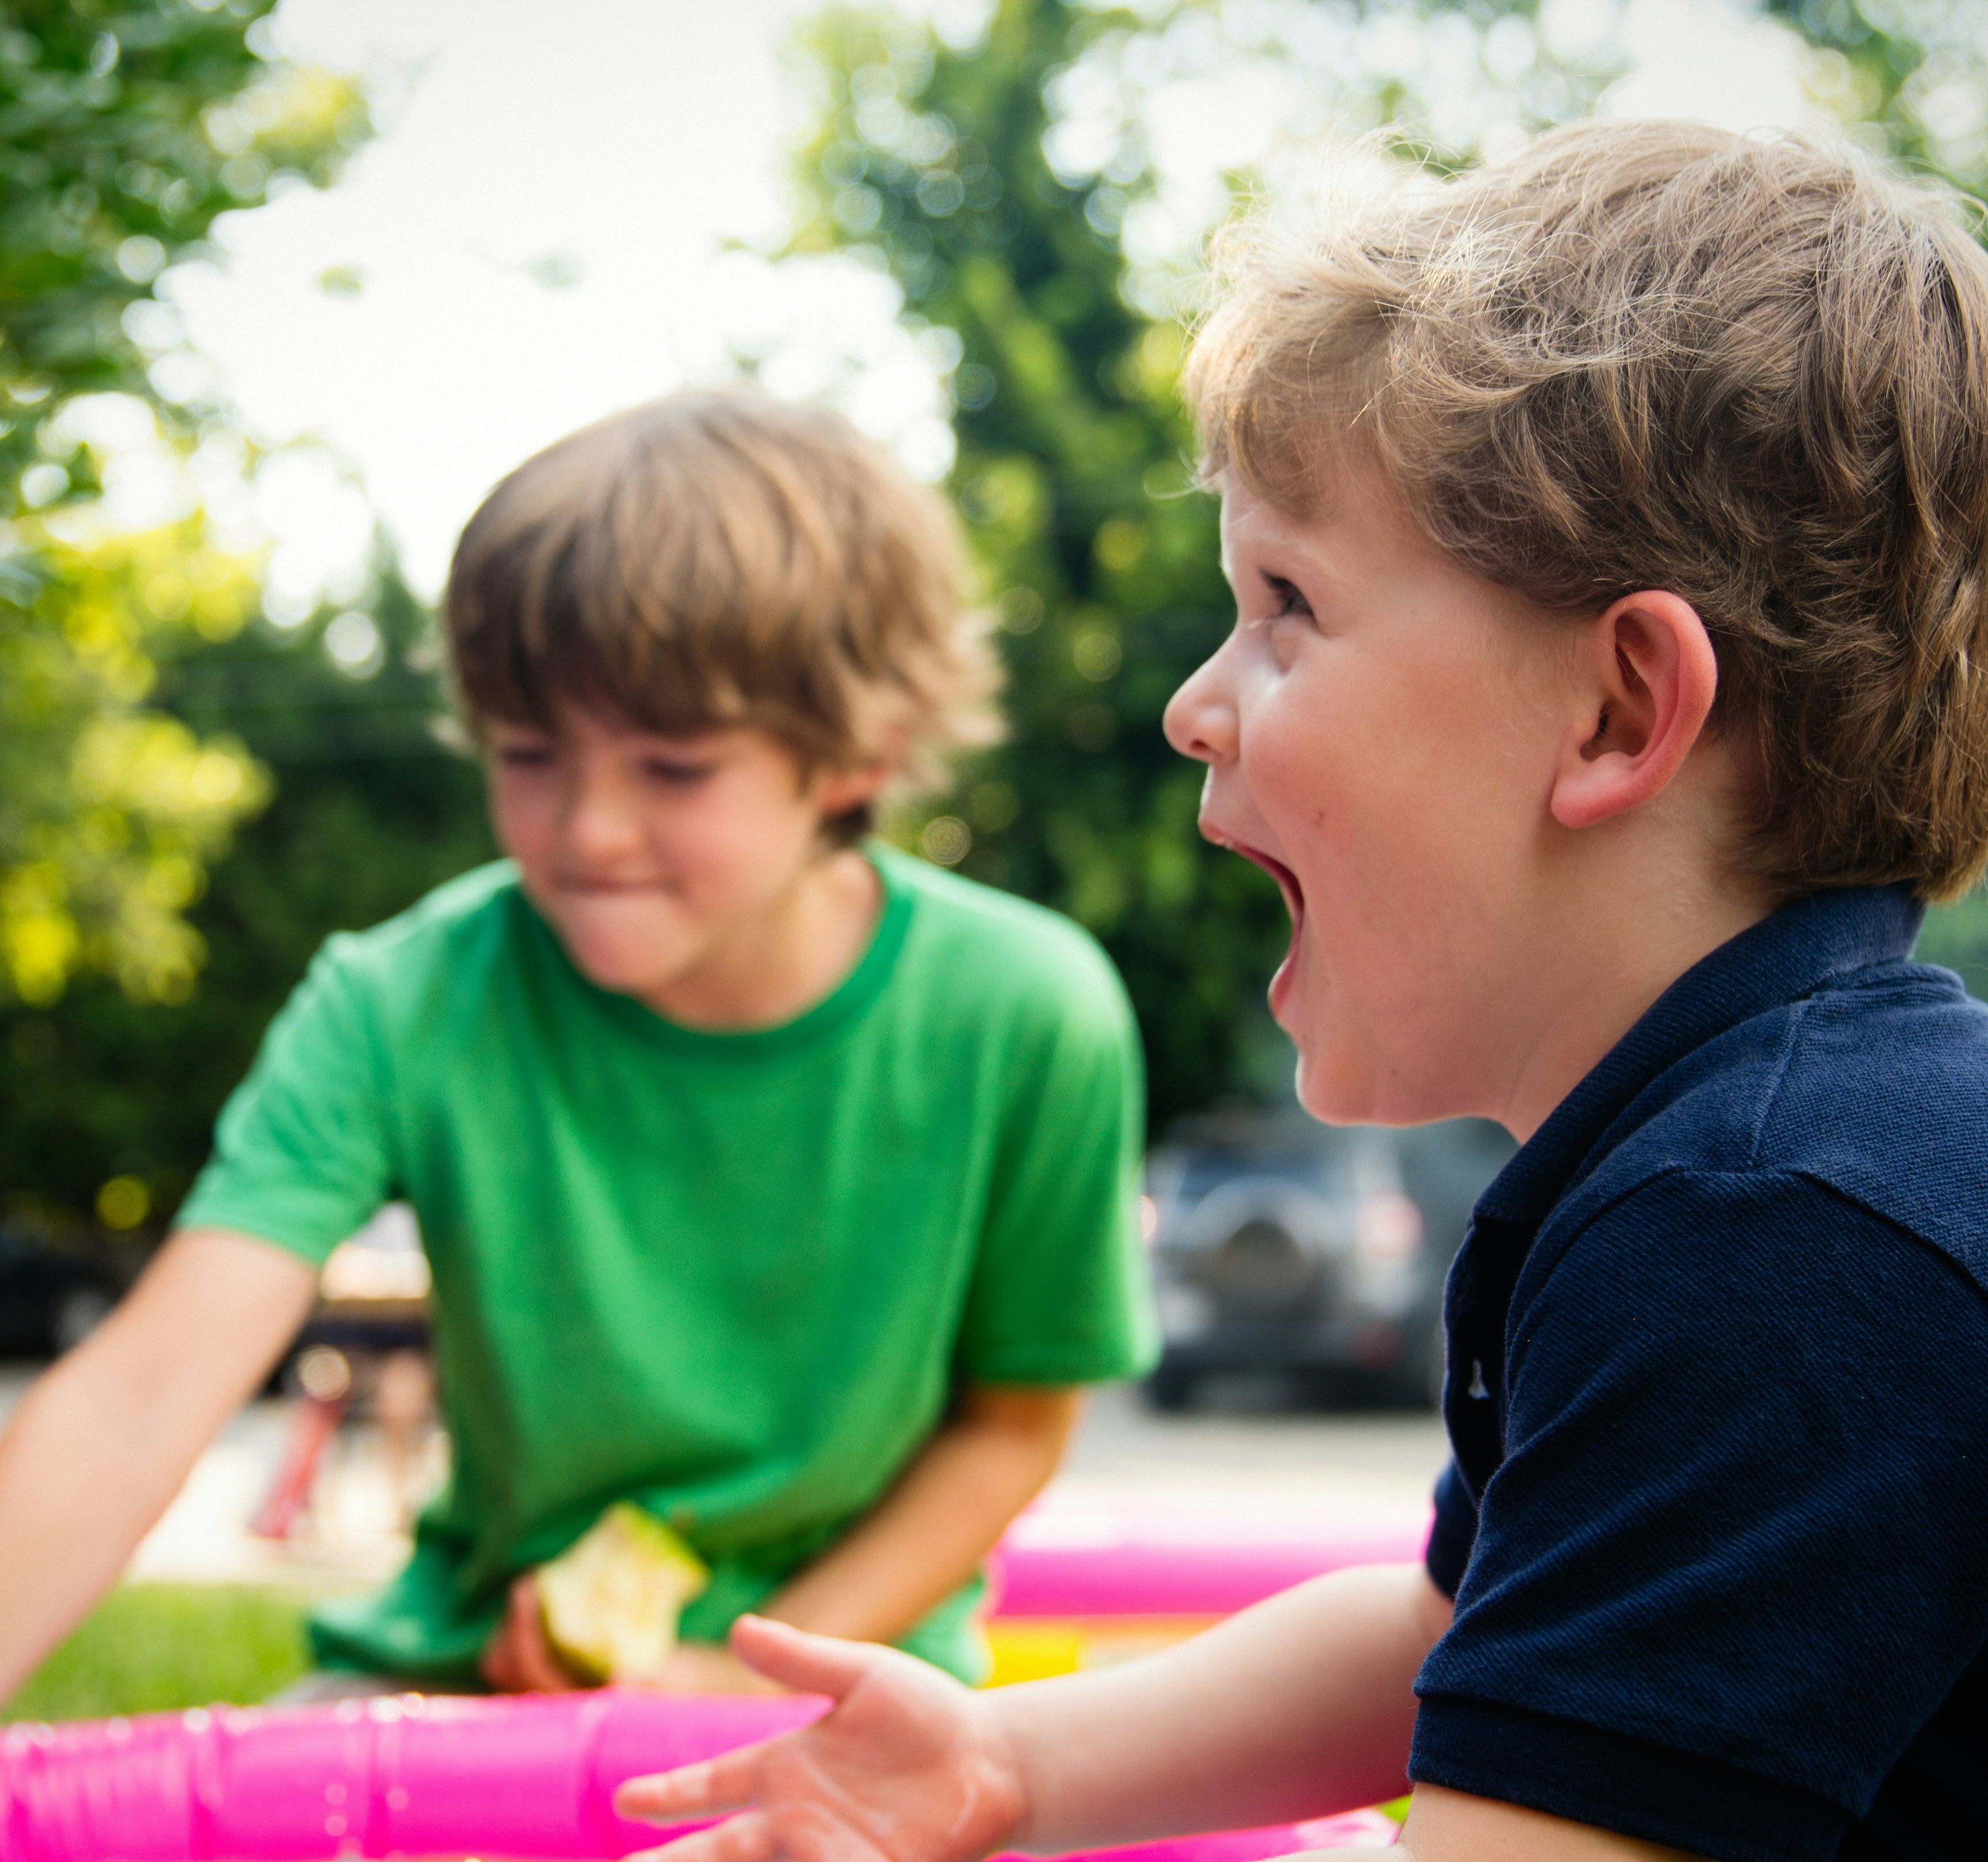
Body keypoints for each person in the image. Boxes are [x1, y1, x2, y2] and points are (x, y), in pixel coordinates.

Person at [577, 124, 1988, 1862]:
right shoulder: (1714, 1150)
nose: (1190, 700)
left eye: (1284, 605)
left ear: (1617, 703)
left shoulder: (1768, 1217)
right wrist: (1010, 1754)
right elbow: (1451, 1625)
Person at [0, 392, 1154, 1702]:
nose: (588, 830)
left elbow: (1010, 1428)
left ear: (857, 753)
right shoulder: (399, 999)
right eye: (530, 753)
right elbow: (141, 1393)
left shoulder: (1027, 1010)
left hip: (843, 1696)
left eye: (672, 767)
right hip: (460, 1680)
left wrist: (740, 1670)